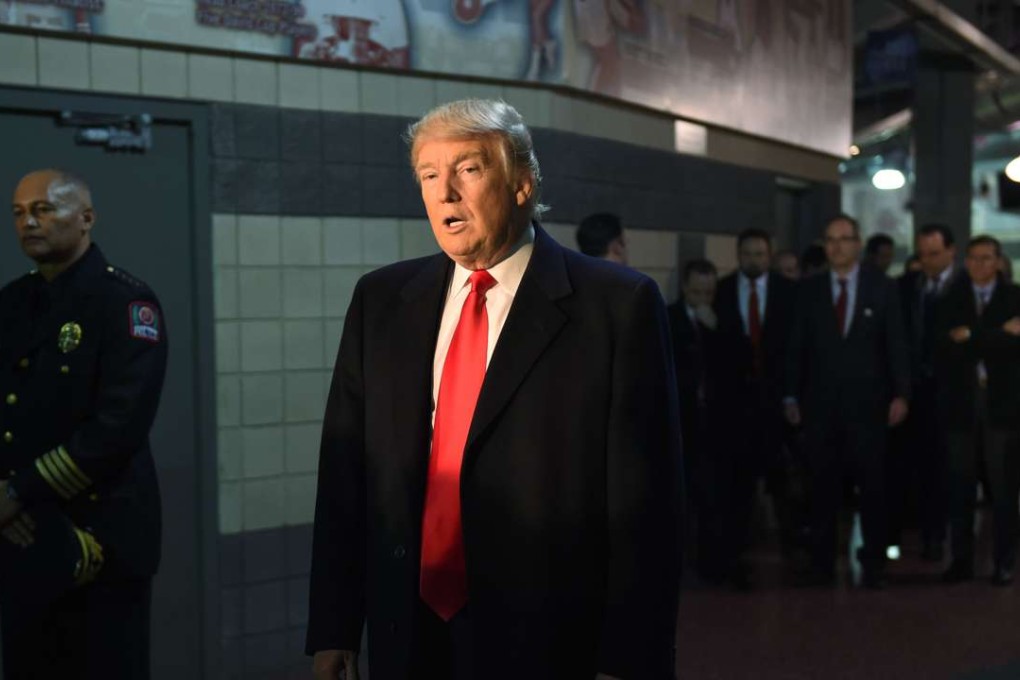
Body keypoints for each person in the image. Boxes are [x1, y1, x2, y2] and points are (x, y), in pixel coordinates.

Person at [306, 99, 681, 680]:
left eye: (468, 170)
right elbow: (346, 473)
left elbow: (645, 505)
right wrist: (334, 625)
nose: (445, 193)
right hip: (409, 629)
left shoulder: (615, 306)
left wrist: (629, 659)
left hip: (548, 637)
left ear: (523, 183)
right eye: (429, 175)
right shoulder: (381, 300)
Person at [0, 169, 168, 678]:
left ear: (86, 218)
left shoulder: (126, 302)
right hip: (23, 534)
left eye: (45, 209)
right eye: (19, 212)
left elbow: (118, 427)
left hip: (101, 537)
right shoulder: (12, 302)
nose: (29, 221)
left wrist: (18, 492)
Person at [785, 214, 910, 589]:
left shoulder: (882, 287)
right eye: (831, 239)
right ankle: (822, 562)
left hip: (869, 407)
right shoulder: (808, 290)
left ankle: (873, 562)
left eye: (845, 239)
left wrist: (902, 393)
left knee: (872, 487)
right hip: (820, 407)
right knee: (821, 487)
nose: (837, 246)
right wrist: (790, 394)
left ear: (858, 244)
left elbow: (896, 344)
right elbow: (796, 347)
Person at [712, 229, 798, 587]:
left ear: (770, 254)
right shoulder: (723, 290)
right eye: (747, 253)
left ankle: (795, 551)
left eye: (760, 253)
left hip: (777, 400)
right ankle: (735, 556)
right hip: (737, 404)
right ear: (738, 254)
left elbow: (796, 347)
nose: (754, 260)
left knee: (785, 482)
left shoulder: (790, 292)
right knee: (739, 485)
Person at [936, 235, 1020, 587]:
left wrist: (972, 337)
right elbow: (944, 348)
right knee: (960, 487)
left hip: (1003, 405)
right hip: (963, 404)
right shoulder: (951, 298)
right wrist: (999, 334)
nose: (980, 265)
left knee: (1004, 489)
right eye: (973, 258)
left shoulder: (1015, 296)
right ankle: (961, 560)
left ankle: (1004, 561)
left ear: (999, 261)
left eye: (987, 258)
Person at [892, 223, 958, 561]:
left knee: (942, 466)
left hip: (948, 392)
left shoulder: (962, 289)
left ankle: (936, 534)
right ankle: (905, 533)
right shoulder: (907, 287)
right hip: (912, 390)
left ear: (951, 251)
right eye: (923, 254)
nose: (928, 261)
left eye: (935, 254)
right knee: (907, 463)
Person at [667, 259, 721, 583]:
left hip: (712, 424)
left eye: (709, 291)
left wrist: (714, 330)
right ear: (686, 288)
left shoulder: (719, 319)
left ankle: (710, 562)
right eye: (698, 291)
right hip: (683, 420)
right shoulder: (670, 318)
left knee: (711, 497)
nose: (703, 297)